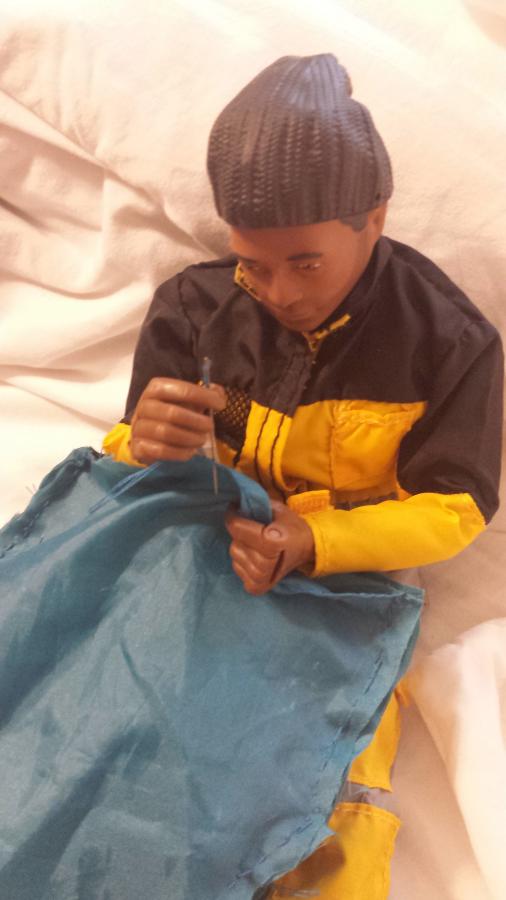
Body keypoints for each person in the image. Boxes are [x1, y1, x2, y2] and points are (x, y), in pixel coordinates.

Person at [102, 54, 503, 899]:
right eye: (252, 263)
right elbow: (134, 458)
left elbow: (457, 507)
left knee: (334, 771)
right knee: (127, 726)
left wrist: (314, 539)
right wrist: (139, 443)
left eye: (305, 263)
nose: (276, 292)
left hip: (350, 588)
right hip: (205, 551)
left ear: (375, 217)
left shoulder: (450, 341)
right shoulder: (191, 309)